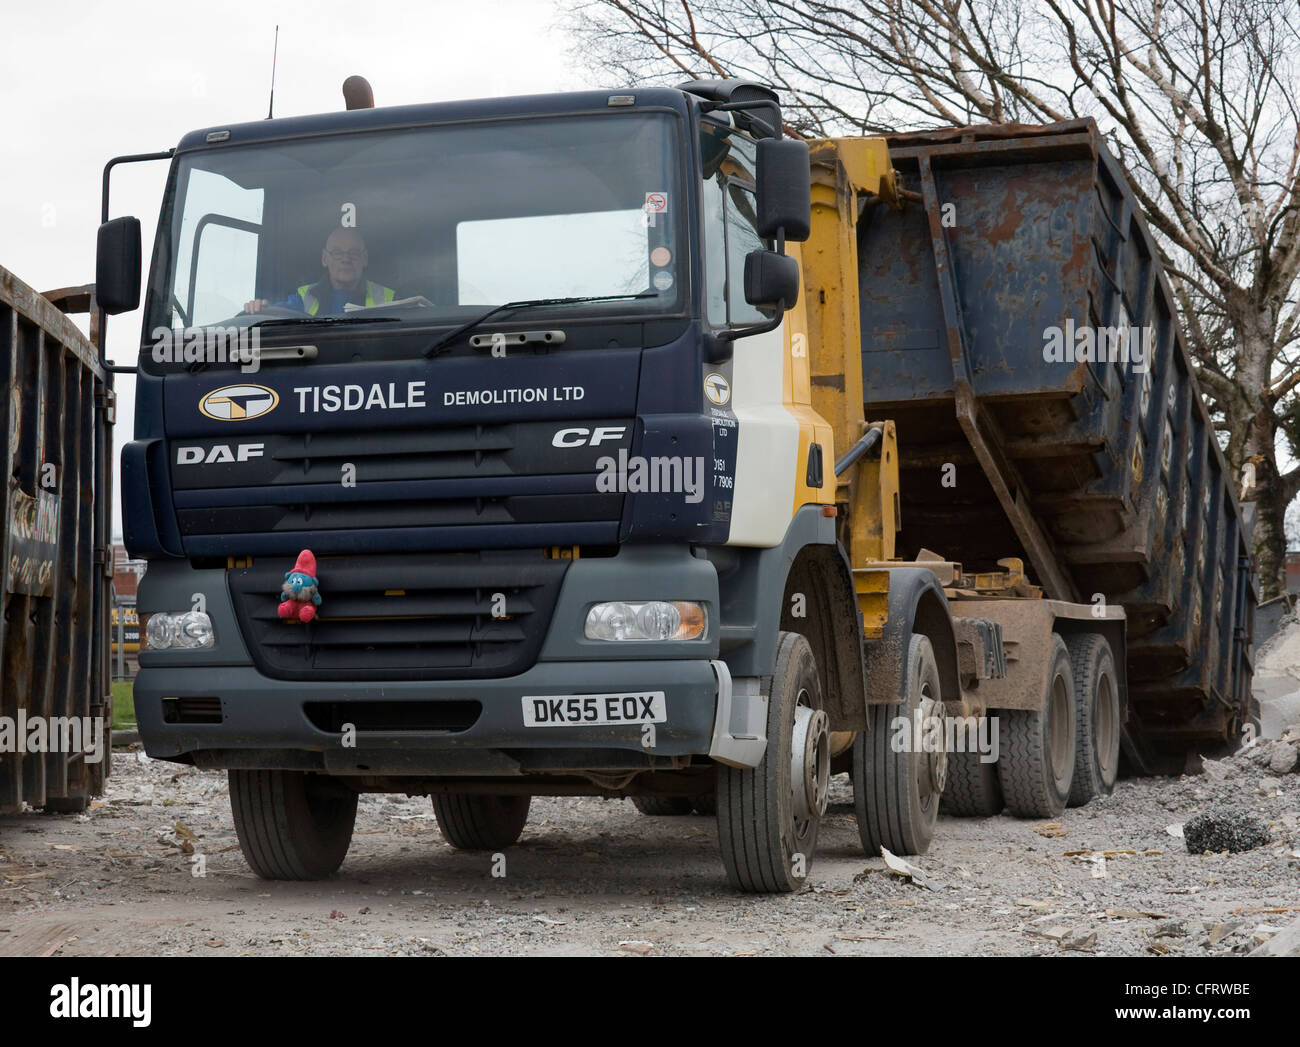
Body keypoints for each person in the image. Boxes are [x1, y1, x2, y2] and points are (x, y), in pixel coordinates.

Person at [244, 228, 396, 315]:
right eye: (337, 253)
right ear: (325, 259)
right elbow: (276, 316)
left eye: (354, 253)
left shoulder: (390, 300)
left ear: (365, 259)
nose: (346, 259)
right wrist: (261, 308)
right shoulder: (303, 298)